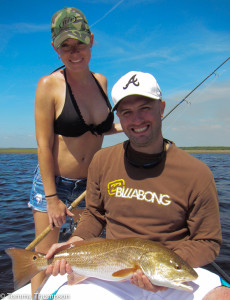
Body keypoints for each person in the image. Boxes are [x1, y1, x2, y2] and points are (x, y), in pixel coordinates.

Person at [44, 71, 229, 299]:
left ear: (161, 108)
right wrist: (74, 243)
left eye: (145, 108)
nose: (137, 120)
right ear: (119, 118)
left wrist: (164, 269)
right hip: (113, 274)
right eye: (127, 112)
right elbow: (94, 214)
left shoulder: (197, 173)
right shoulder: (102, 161)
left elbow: (207, 241)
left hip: (172, 272)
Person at [28, 7, 122, 295]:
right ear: (55, 49)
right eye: (65, 46)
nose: (74, 51)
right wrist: (53, 199)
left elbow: (98, 128)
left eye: (80, 42)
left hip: (89, 185)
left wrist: (129, 126)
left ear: (92, 40)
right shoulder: (48, 85)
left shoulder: (101, 82)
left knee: (86, 256)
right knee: (43, 261)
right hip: (54, 185)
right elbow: (44, 145)